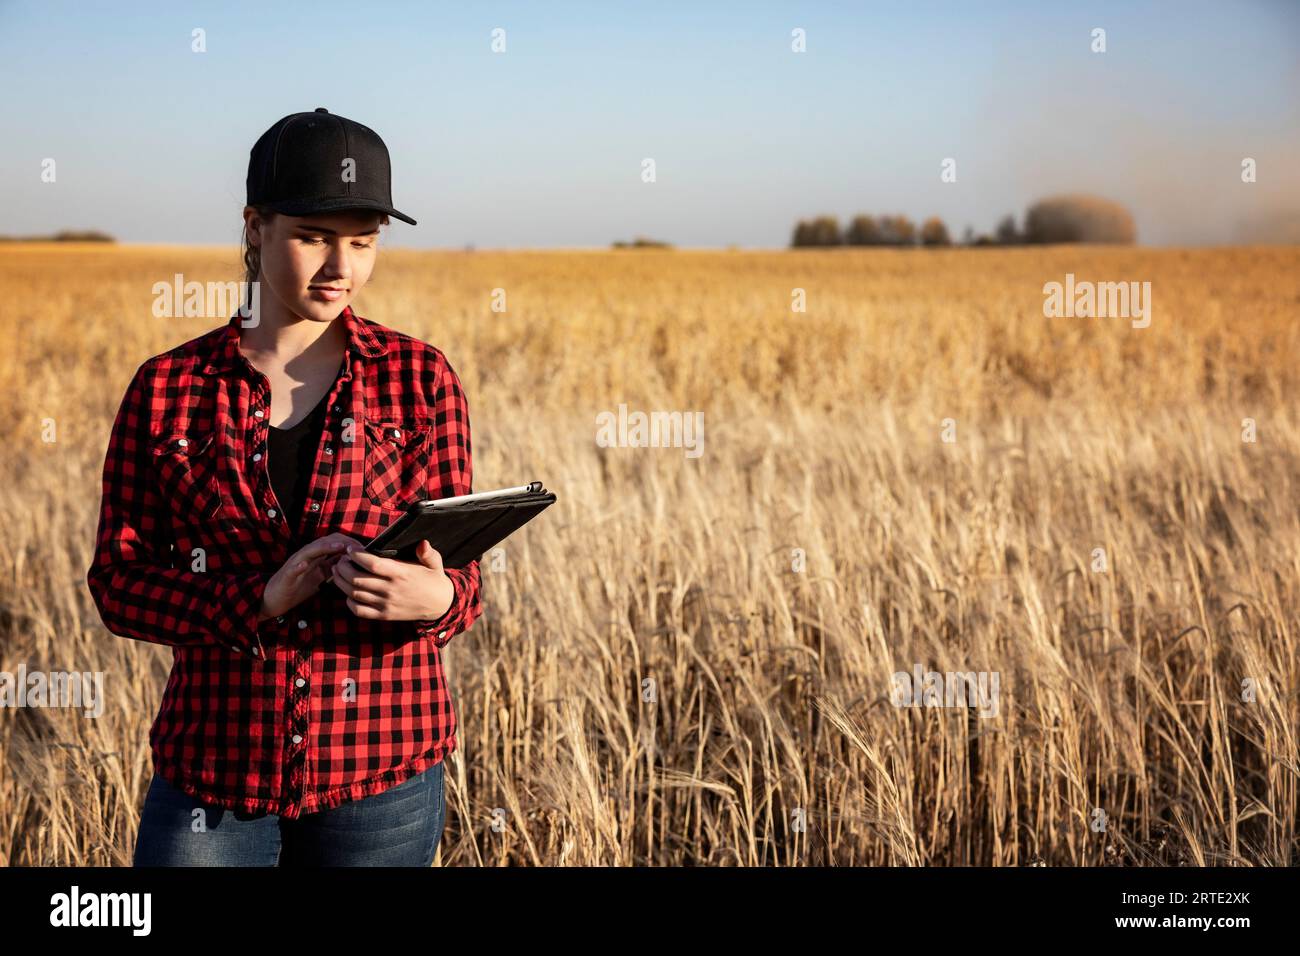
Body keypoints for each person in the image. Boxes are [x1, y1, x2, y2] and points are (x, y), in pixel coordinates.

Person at [86, 108, 482, 866]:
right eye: (314, 237)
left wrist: (437, 602)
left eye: (363, 243)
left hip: (383, 771)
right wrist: (256, 601)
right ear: (255, 226)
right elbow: (120, 584)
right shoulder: (167, 388)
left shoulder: (419, 379)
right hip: (214, 776)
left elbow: (462, 577)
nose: (342, 268)